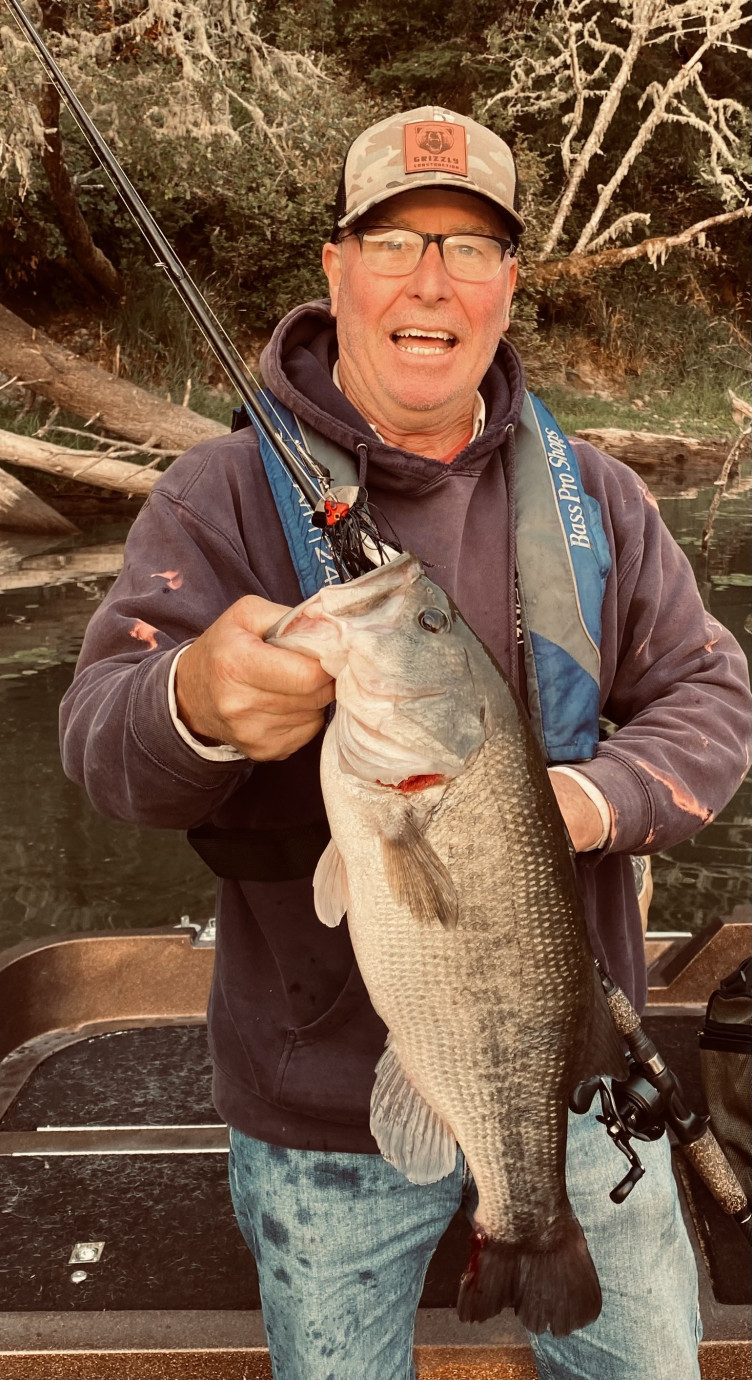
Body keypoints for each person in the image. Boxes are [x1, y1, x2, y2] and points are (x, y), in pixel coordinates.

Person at [60, 106, 750, 1380]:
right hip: (318, 1125)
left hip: (577, 1087)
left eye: (471, 247)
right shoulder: (214, 495)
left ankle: (524, 1221)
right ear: (335, 269)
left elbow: (713, 702)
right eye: (394, 240)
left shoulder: (597, 497)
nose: (430, 279)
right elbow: (99, 738)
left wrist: (590, 802)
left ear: (506, 289)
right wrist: (197, 704)